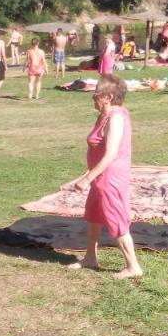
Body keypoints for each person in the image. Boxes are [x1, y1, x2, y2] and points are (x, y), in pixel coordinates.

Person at [66, 73, 142, 279]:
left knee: (116, 219)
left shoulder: (116, 118)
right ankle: (90, 257)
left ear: (108, 97)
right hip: (99, 177)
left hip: (110, 178)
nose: (93, 97)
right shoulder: (104, 114)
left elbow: (110, 154)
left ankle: (133, 267)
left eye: (96, 94)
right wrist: (87, 175)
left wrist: (87, 179)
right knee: (94, 215)